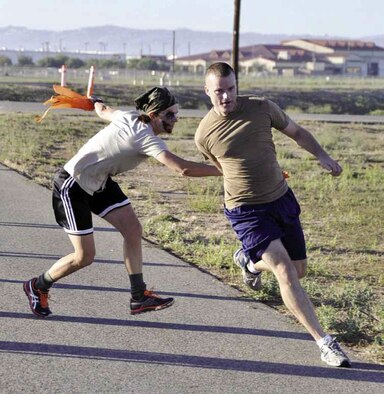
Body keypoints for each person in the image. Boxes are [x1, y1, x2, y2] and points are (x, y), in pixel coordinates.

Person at [194, 62, 351, 368]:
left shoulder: (263, 108)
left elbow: (296, 132)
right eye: (218, 92)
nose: (226, 97)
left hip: (280, 198)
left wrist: (322, 155)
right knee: (284, 271)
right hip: (245, 210)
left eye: (230, 89)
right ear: (206, 91)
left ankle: (249, 262)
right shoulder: (204, 134)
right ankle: (324, 342)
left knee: (299, 269)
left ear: (237, 86)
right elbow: (219, 167)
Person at [24, 86, 221, 317]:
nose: (175, 119)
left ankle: (139, 297)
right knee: (84, 257)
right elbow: (183, 168)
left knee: (133, 230)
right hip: (72, 184)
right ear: (153, 115)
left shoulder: (128, 116)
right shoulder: (145, 137)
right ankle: (38, 286)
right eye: (169, 114)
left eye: (176, 113)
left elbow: (104, 110)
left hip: (99, 182)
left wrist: (92, 101)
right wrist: (225, 170)